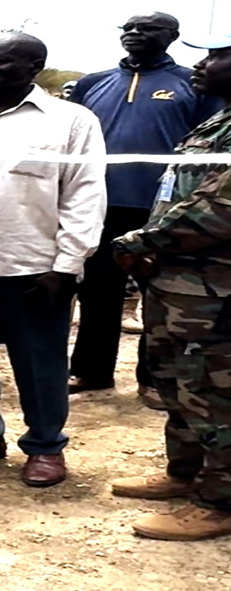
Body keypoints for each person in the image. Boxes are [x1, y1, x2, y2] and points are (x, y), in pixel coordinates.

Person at [0, 33, 106, 488]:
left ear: (34, 67)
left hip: (34, 265)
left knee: (40, 362)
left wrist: (67, 263)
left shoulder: (70, 120)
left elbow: (85, 194)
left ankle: (46, 446)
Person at [109, 31, 231, 541]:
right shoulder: (219, 121)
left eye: (217, 56)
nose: (200, 65)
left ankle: (219, 502)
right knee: (178, 381)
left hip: (216, 289)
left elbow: (217, 210)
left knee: (216, 392)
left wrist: (138, 240)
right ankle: (185, 472)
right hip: (177, 280)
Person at [68, 13, 221, 405]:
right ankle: (91, 370)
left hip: (162, 210)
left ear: (172, 36)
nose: (135, 33)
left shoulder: (192, 82)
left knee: (156, 294)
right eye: (128, 28)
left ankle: (151, 378)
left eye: (148, 28)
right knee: (97, 291)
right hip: (99, 203)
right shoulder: (92, 83)